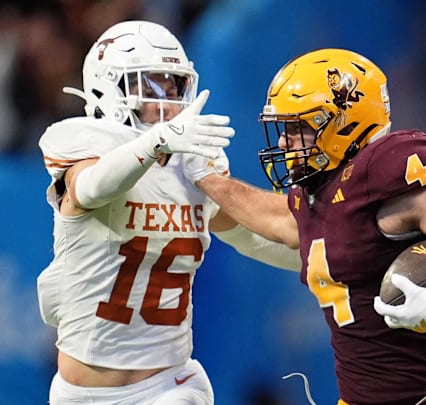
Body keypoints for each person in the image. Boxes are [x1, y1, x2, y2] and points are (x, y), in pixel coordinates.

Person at [192, 48, 426, 404]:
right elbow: (277, 220)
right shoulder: (319, 193)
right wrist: (206, 179)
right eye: (283, 128)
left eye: (298, 128)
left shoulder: (384, 169)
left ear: (345, 121)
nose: (284, 142)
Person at [36, 20, 300, 405]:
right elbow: (91, 189)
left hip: (168, 386)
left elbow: (253, 238)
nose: (168, 100)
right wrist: (155, 144)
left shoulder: (190, 163)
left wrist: (334, 260)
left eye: (173, 85)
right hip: (79, 393)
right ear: (107, 87)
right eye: (151, 85)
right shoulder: (85, 144)